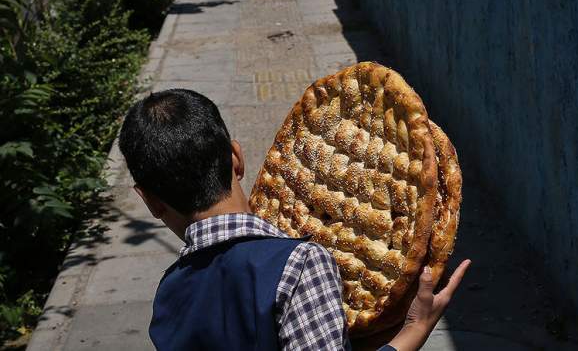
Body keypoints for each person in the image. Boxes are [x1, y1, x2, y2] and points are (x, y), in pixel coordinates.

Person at [118, 88, 470, 350]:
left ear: (150, 201)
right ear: (236, 158)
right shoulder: (299, 265)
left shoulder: (170, 291)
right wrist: (414, 331)